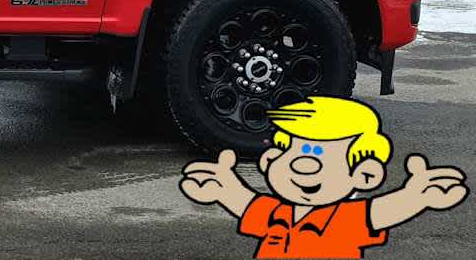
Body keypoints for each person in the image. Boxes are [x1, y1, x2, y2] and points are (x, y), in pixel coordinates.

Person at [179, 96, 466, 259]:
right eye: (289, 150)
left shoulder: (344, 219)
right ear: (270, 160)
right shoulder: (277, 212)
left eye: (322, 156)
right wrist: (225, 188)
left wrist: (416, 197)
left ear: (365, 175)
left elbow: (380, 212)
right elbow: (247, 204)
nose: (302, 165)